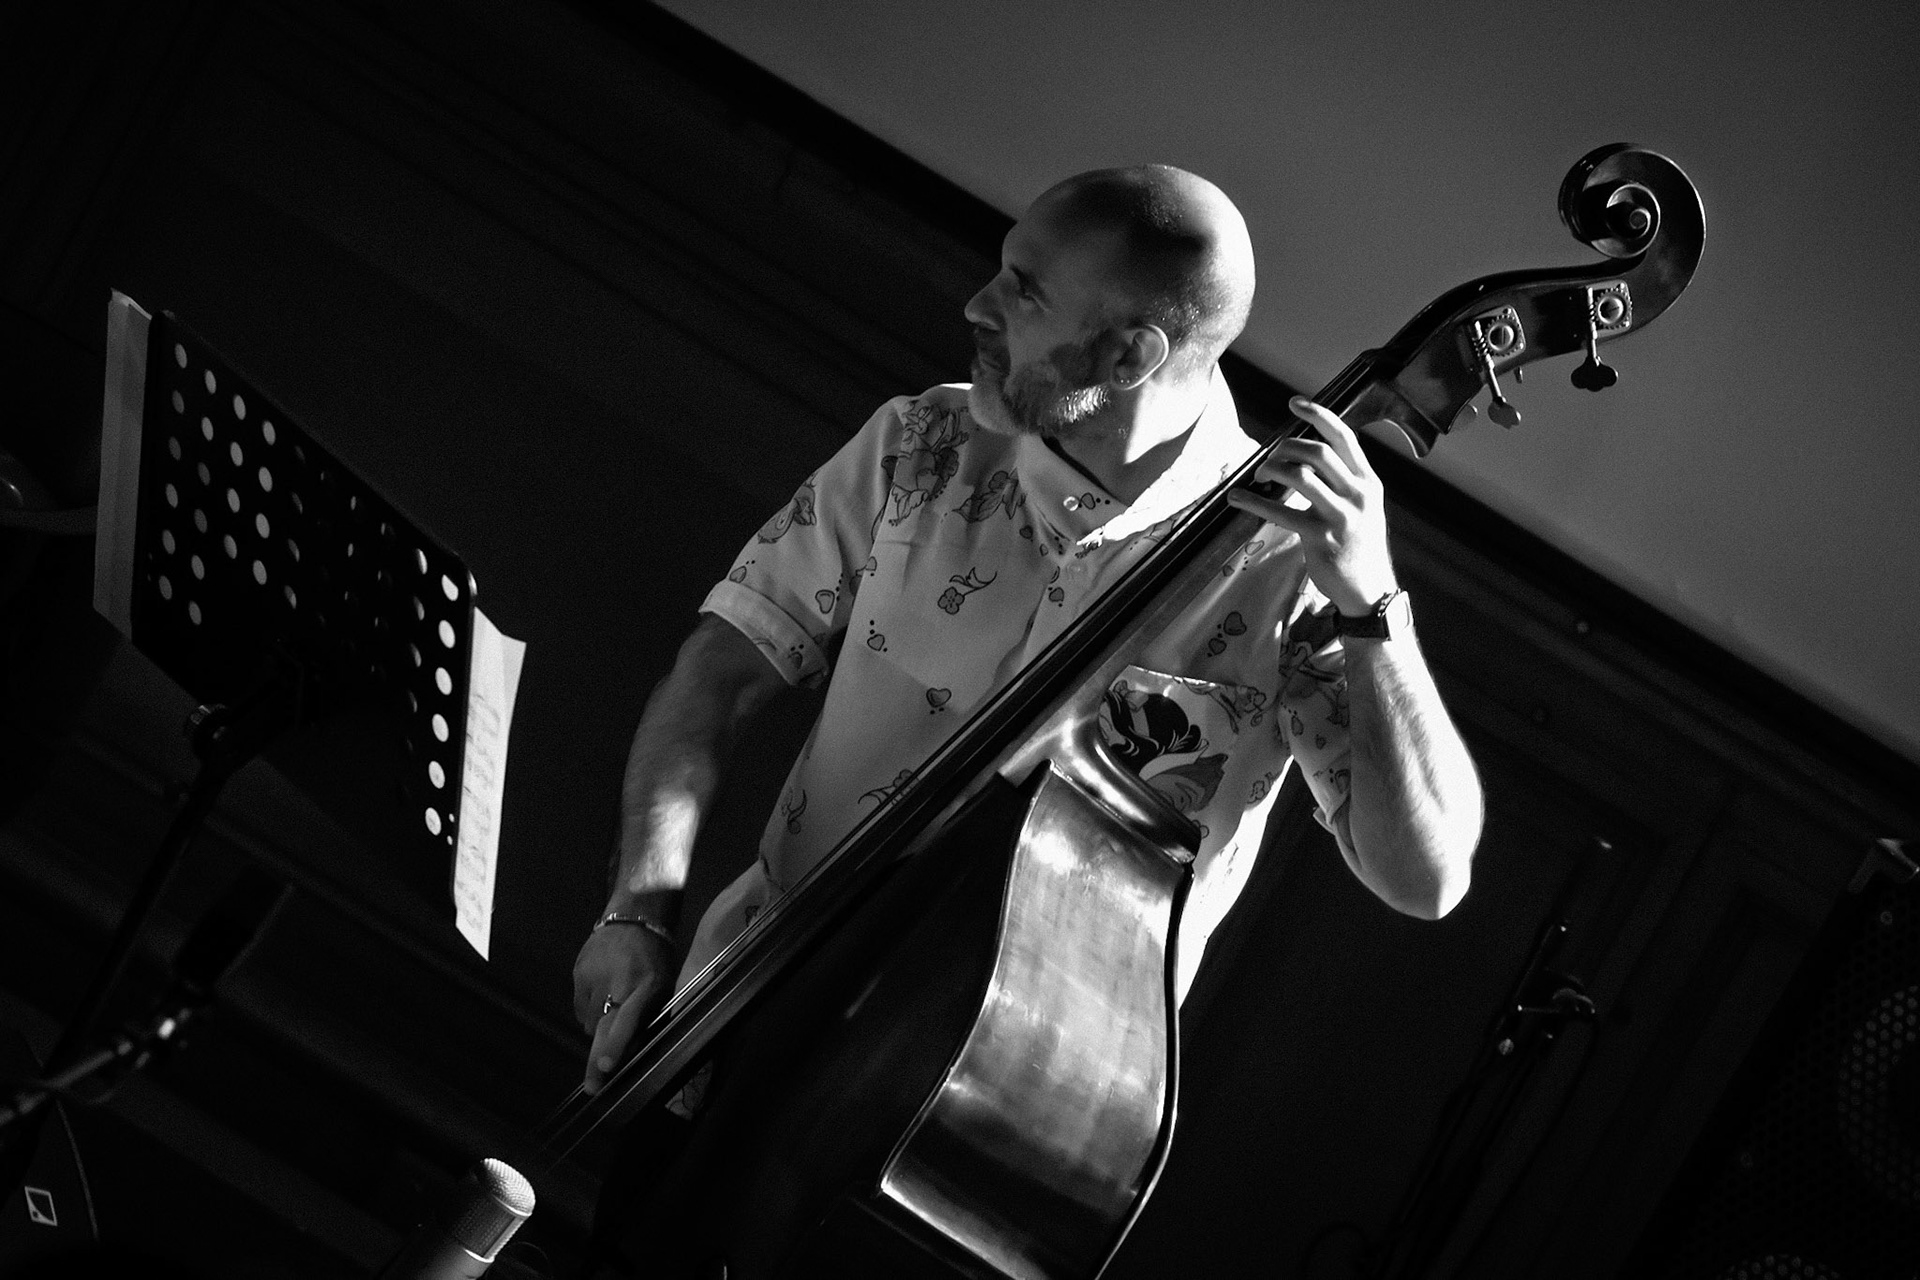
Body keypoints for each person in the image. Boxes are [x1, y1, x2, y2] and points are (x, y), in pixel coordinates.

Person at [572, 164, 1483, 1097]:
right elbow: (718, 676)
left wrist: (1374, 608)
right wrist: (635, 913)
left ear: (1130, 357)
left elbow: (1426, 877)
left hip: (1018, 1104)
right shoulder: (919, 444)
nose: (976, 304)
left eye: (1026, 293)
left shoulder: (1287, 569)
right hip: (748, 1006)